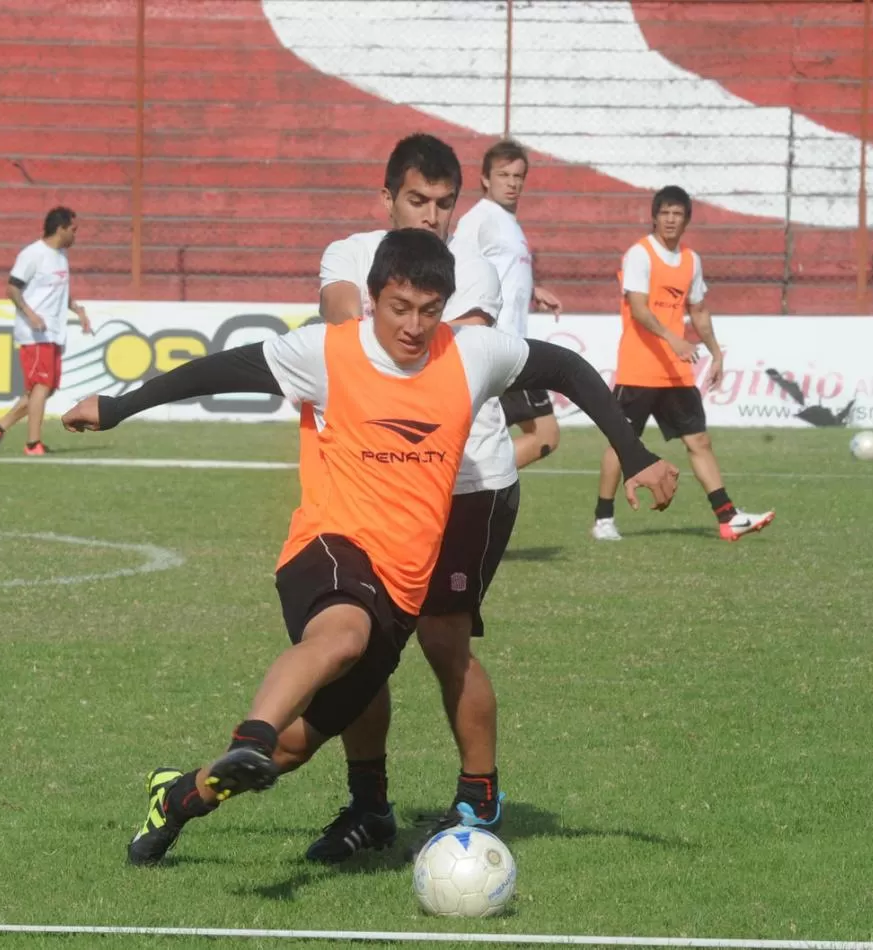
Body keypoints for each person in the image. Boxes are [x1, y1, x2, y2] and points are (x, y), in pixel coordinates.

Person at [60, 229, 680, 868]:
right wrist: (118, 406)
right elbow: (217, 369)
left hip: (404, 585)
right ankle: (253, 731)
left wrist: (634, 455)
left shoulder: (472, 354)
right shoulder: (325, 352)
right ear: (372, 299)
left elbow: (568, 368)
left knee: (296, 750)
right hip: (330, 546)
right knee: (341, 637)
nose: (413, 326)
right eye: (399, 307)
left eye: (429, 309)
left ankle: (179, 796)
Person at [312, 133, 514, 863]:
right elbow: (341, 321)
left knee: (440, 638)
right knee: (359, 650)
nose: (430, 215)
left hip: (468, 483)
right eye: (416, 199)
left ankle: (479, 799)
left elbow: (430, 355)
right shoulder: (348, 253)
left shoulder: (476, 272)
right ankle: (369, 807)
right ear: (387, 197)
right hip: (374, 481)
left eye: (443, 203)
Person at [591, 186, 774, 542]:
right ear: (655, 217)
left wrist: (716, 352)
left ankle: (728, 517)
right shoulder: (640, 254)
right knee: (620, 443)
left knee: (700, 441)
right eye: (665, 213)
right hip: (639, 370)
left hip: (676, 372)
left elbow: (699, 311)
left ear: (687, 219)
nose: (671, 219)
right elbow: (640, 308)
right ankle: (603, 518)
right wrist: (674, 339)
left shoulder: (691, 260)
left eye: (678, 214)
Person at [454, 139, 563, 469]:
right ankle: (468, 483)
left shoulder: (508, 222)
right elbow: (456, 269)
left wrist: (532, 290)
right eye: (504, 175)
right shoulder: (479, 220)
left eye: (518, 176)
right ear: (486, 179)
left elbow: (498, 272)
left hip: (510, 346)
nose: (513, 183)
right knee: (545, 436)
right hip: (501, 349)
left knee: (489, 436)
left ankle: (467, 485)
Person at [0, 206, 92, 456]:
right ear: (60, 229)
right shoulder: (32, 254)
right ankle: (33, 444)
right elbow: (12, 289)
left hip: (53, 331)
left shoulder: (61, 255)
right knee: (41, 386)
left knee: (45, 389)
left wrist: (78, 310)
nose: (76, 235)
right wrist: (30, 314)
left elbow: (58, 292)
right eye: (73, 230)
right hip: (34, 333)